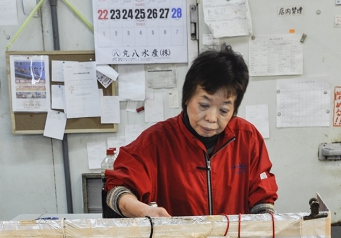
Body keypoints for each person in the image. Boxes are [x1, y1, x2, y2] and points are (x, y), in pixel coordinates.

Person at [105, 44, 278, 218]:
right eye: (204, 105)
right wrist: (144, 211)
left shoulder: (247, 138)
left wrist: (263, 227)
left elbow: (262, 198)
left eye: (223, 111)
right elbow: (118, 188)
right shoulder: (157, 141)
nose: (211, 118)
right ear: (187, 97)